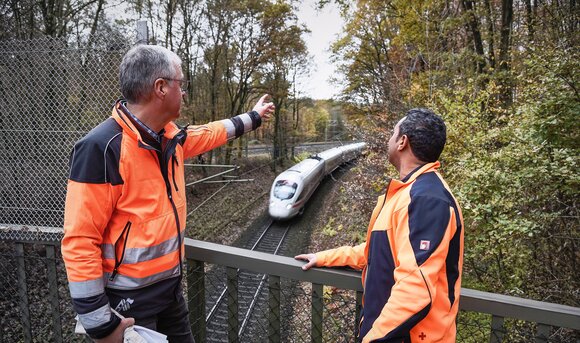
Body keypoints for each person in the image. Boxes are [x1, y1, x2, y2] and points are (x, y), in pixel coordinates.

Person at [61, 44, 274, 342]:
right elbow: (80, 241)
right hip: (129, 305)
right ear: (160, 87)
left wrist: (254, 116)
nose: (184, 93)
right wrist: (101, 325)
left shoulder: (170, 138)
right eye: (181, 84)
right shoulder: (101, 148)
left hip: (171, 292)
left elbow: (209, 132)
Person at [296, 109, 464, 343]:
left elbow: (415, 288)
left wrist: (373, 338)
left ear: (402, 142)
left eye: (393, 133)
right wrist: (325, 257)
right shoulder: (406, 193)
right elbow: (380, 250)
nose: (389, 140)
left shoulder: (427, 200)